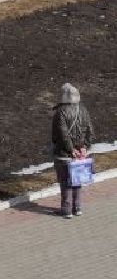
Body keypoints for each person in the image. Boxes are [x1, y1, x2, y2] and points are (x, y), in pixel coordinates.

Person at [52, 83, 95, 218]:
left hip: (65, 153)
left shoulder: (60, 112)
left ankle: (66, 210)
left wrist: (71, 150)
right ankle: (77, 208)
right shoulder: (83, 109)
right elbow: (90, 130)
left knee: (65, 181)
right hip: (80, 152)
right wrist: (84, 147)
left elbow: (62, 134)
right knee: (77, 179)